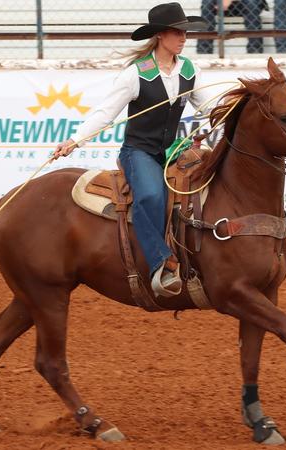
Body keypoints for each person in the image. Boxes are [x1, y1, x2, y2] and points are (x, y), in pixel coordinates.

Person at [53, 3, 217, 298]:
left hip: (169, 152)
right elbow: (106, 113)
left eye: (185, 32)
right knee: (151, 195)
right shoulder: (136, 74)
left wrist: (233, 109)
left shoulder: (190, 70)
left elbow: (209, 107)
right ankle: (159, 264)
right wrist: (75, 140)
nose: (183, 37)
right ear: (160, 35)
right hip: (138, 151)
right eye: (177, 32)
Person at [197, 0, 267, 54]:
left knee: (251, 3)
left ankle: (255, 50)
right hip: (221, 5)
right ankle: (203, 51)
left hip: (246, 4)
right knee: (207, 3)